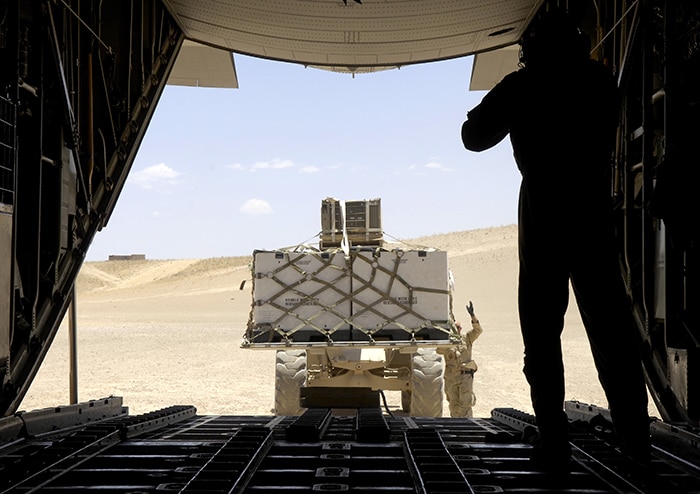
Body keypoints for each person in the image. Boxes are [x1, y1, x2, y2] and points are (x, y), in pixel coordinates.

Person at [460, 9, 650, 468]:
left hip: (544, 208)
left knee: (542, 331)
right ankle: (636, 443)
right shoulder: (601, 82)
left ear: (534, 49)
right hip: (591, 205)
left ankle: (554, 441)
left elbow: (473, 136)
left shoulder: (524, 86)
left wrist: (515, 92)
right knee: (612, 329)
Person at [438, 301, 482, 418]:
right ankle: (455, 428)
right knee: (454, 405)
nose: (459, 328)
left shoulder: (466, 338)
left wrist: (473, 316)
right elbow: (439, 350)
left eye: (460, 327)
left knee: (465, 405)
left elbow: (478, 331)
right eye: (457, 327)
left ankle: (467, 429)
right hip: (451, 378)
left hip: (465, 377)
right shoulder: (446, 343)